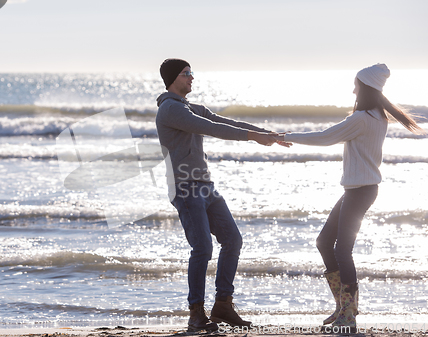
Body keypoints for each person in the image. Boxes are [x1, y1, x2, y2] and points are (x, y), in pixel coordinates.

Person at [275, 64, 425, 331]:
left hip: (361, 190)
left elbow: (325, 137)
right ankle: (344, 307)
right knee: (324, 242)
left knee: (342, 250)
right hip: (358, 190)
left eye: (356, 84)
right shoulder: (377, 116)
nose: (352, 88)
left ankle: (349, 315)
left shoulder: (363, 118)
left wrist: (285, 136)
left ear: (365, 87)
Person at [155, 58, 290, 332]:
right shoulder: (170, 110)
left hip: (205, 186)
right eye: (186, 73)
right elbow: (212, 129)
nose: (192, 77)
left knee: (232, 240)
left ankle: (223, 305)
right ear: (173, 78)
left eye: (192, 72)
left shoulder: (190, 107)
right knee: (203, 248)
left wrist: (268, 134)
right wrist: (253, 137)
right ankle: (196, 312)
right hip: (185, 188)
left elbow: (222, 121)